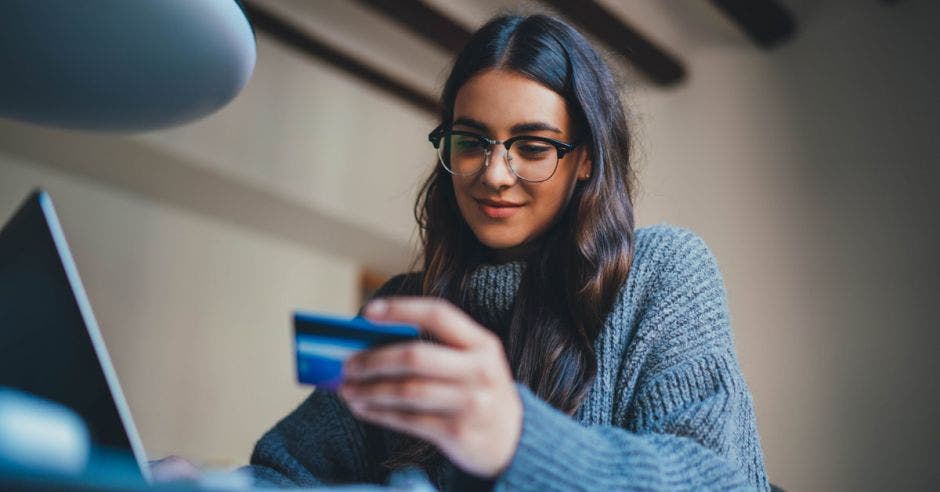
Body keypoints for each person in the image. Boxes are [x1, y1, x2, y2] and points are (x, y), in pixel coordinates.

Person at [162, 13, 769, 491]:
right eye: (471, 141)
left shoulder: (664, 272)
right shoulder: (402, 305)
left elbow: (718, 480)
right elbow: (291, 469)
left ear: (585, 158)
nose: (493, 174)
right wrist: (214, 484)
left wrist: (516, 437)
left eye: (532, 146)